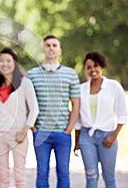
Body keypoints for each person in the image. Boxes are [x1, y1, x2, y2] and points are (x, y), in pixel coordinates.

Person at [27, 34, 80, 188]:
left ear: (60, 50)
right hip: (41, 133)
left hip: (63, 133)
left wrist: (69, 129)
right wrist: (34, 128)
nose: (51, 48)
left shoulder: (70, 74)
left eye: (54, 45)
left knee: (63, 173)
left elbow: (76, 104)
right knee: (42, 173)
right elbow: (26, 104)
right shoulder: (32, 75)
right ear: (43, 49)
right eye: (48, 45)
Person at [73, 52, 128, 188]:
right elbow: (78, 118)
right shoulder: (81, 89)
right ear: (85, 70)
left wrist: (113, 136)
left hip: (107, 137)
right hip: (87, 137)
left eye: (96, 66)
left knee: (109, 178)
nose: (93, 70)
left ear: (101, 66)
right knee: (91, 176)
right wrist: (77, 141)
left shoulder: (113, 86)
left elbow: (122, 114)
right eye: (89, 67)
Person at [0, 47, 39, 188]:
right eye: (1, 61)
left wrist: (24, 131)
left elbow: (34, 109)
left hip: (18, 134)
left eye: (8, 61)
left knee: (19, 175)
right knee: (3, 175)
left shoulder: (25, 83)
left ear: (15, 64)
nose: (4, 64)